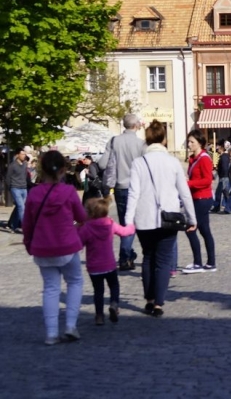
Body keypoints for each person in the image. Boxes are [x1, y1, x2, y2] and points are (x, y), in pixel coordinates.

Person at [126, 120, 197, 318]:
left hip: (144, 218)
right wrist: (192, 218)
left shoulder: (139, 163)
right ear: (164, 139)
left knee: (148, 257)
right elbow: (185, 193)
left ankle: (149, 300)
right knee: (164, 261)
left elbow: (133, 193)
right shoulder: (173, 162)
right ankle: (158, 303)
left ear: (147, 140)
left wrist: (128, 220)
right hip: (169, 218)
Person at [22, 151, 87, 345]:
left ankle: (51, 333)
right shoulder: (68, 192)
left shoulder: (33, 193)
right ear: (62, 170)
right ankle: (70, 325)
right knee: (75, 282)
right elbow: (82, 217)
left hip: (42, 247)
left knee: (50, 289)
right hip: (66, 246)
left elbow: (27, 224)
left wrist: (28, 244)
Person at [98, 113, 146, 271]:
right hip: (137, 188)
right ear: (136, 125)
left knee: (126, 223)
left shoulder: (113, 141)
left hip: (119, 188)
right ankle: (125, 256)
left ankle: (128, 255)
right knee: (134, 224)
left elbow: (103, 164)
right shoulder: (141, 144)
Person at [78, 197, 136, 325]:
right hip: (109, 264)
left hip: (94, 267)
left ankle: (99, 316)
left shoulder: (86, 228)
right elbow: (124, 232)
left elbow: (78, 243)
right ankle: (114, 304)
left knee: (98, 291)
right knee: (114, 285)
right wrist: (132, 226)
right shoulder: (110, 224)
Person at [182, 130, 217, 274]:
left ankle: (198, 263)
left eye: (192, 142)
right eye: (188, 142)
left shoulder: (204, 158)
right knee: (204, 230)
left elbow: (207, 180)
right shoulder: (193, 159)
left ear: (200, 144)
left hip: (202, 198)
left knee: (191, 229)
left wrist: (189, 183)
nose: (189, 144)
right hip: (196, 197)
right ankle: (210, 263)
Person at [6, 148, 29, 233]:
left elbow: (25, 176)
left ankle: (13, 226)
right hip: (15, 188)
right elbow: (8, 177)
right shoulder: (12, 165)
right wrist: (10, 188)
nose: (24, 156)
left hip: (24, 188)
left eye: (24, 154)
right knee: (21, 207)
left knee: (19, 207)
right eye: (22, 154)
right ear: (17, 155)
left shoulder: (25, 165)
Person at [211, 142, 231, 213]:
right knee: (222, 193)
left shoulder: (224, 157)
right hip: (223, 177)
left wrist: (223, 176)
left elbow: (225, 168)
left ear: (221, 149)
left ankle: (226, 207)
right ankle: (219, 207)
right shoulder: (223, 156)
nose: (217, 149)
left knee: (222, 193)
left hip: (224, 177)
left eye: (218, 148)